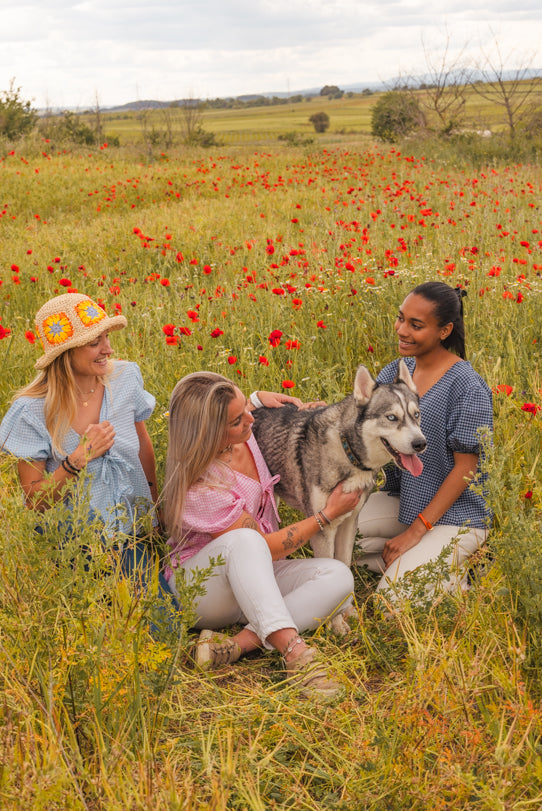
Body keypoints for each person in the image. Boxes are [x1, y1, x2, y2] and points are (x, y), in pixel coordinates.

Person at [163, 371, 360, 699]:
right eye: (238, 419)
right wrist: (327, 515)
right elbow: (265, 548)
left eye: (246, 408)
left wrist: (260, 401)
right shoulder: (201, 483)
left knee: (338, 577)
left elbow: (243, 412)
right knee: (246, 540)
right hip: (202, 590)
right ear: (211, 434)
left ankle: (236, 645)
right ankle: (297, 655)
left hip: (253, 576)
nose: (252, 419)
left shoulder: (242, 435)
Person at [0, 292, 175, 619]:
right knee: (98, 626)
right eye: (95, 342)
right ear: (65, 351)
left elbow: (142, 444)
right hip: (72, 542)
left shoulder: (124, 379)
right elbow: (34, 500)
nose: (108, 349)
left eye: (107, 337)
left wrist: (154, 508)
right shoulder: (32, 411)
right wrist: (77, 459)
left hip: (128, 533)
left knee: (162, 624)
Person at [355, 281, 493, 601]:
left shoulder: (467, 386)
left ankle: (462, 576)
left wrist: (416, 532)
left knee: (392, 601)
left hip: (458, 515)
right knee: (334, 534)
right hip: (406, 501)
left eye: (415, 325)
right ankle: (425, 566)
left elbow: (465, 470)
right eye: (401, 318)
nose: (401, 329)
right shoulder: (395, 371)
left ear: (444, 331)